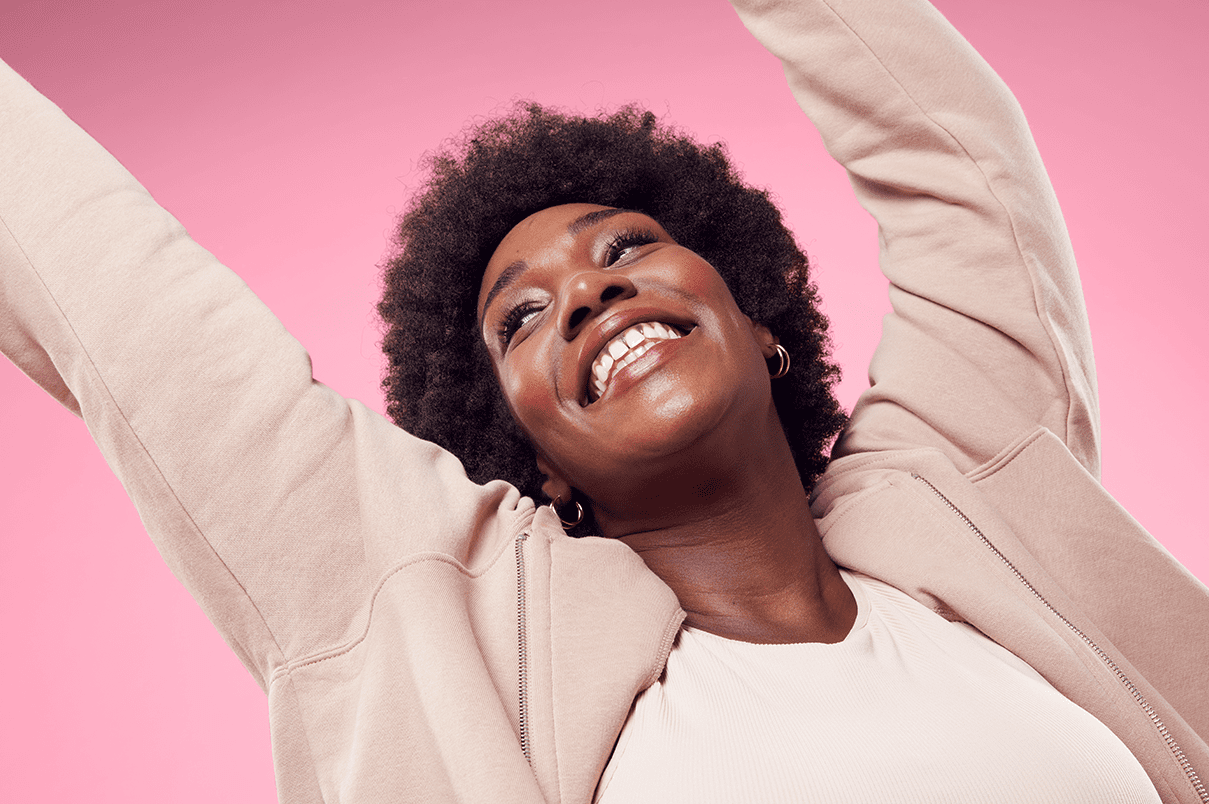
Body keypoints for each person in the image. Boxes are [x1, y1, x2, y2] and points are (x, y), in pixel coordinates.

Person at [1, 0, 1206, 803]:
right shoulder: (461, 637)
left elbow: (963, 164)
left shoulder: (965, 495)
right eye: (520, 318)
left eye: (624, 244)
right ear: (535, 460)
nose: (588, 294)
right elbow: (128, 313)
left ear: (753, 314)